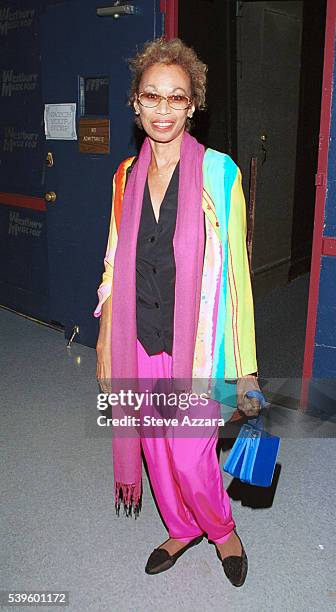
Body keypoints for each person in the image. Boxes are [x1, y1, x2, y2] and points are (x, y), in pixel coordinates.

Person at [94, 37, 263, 587]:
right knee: (156, 446)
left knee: (190, 452)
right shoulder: (124, 177)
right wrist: (102, 342)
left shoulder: (220, 175)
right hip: (137, 337)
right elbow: (113, 262)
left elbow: (237, 277)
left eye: (176, 98)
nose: (163, 109)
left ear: (193, 106)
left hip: (198, 342)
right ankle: (182, 525)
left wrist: (247, 369)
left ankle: (223, 531)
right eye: (152, 97)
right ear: (136, 103)